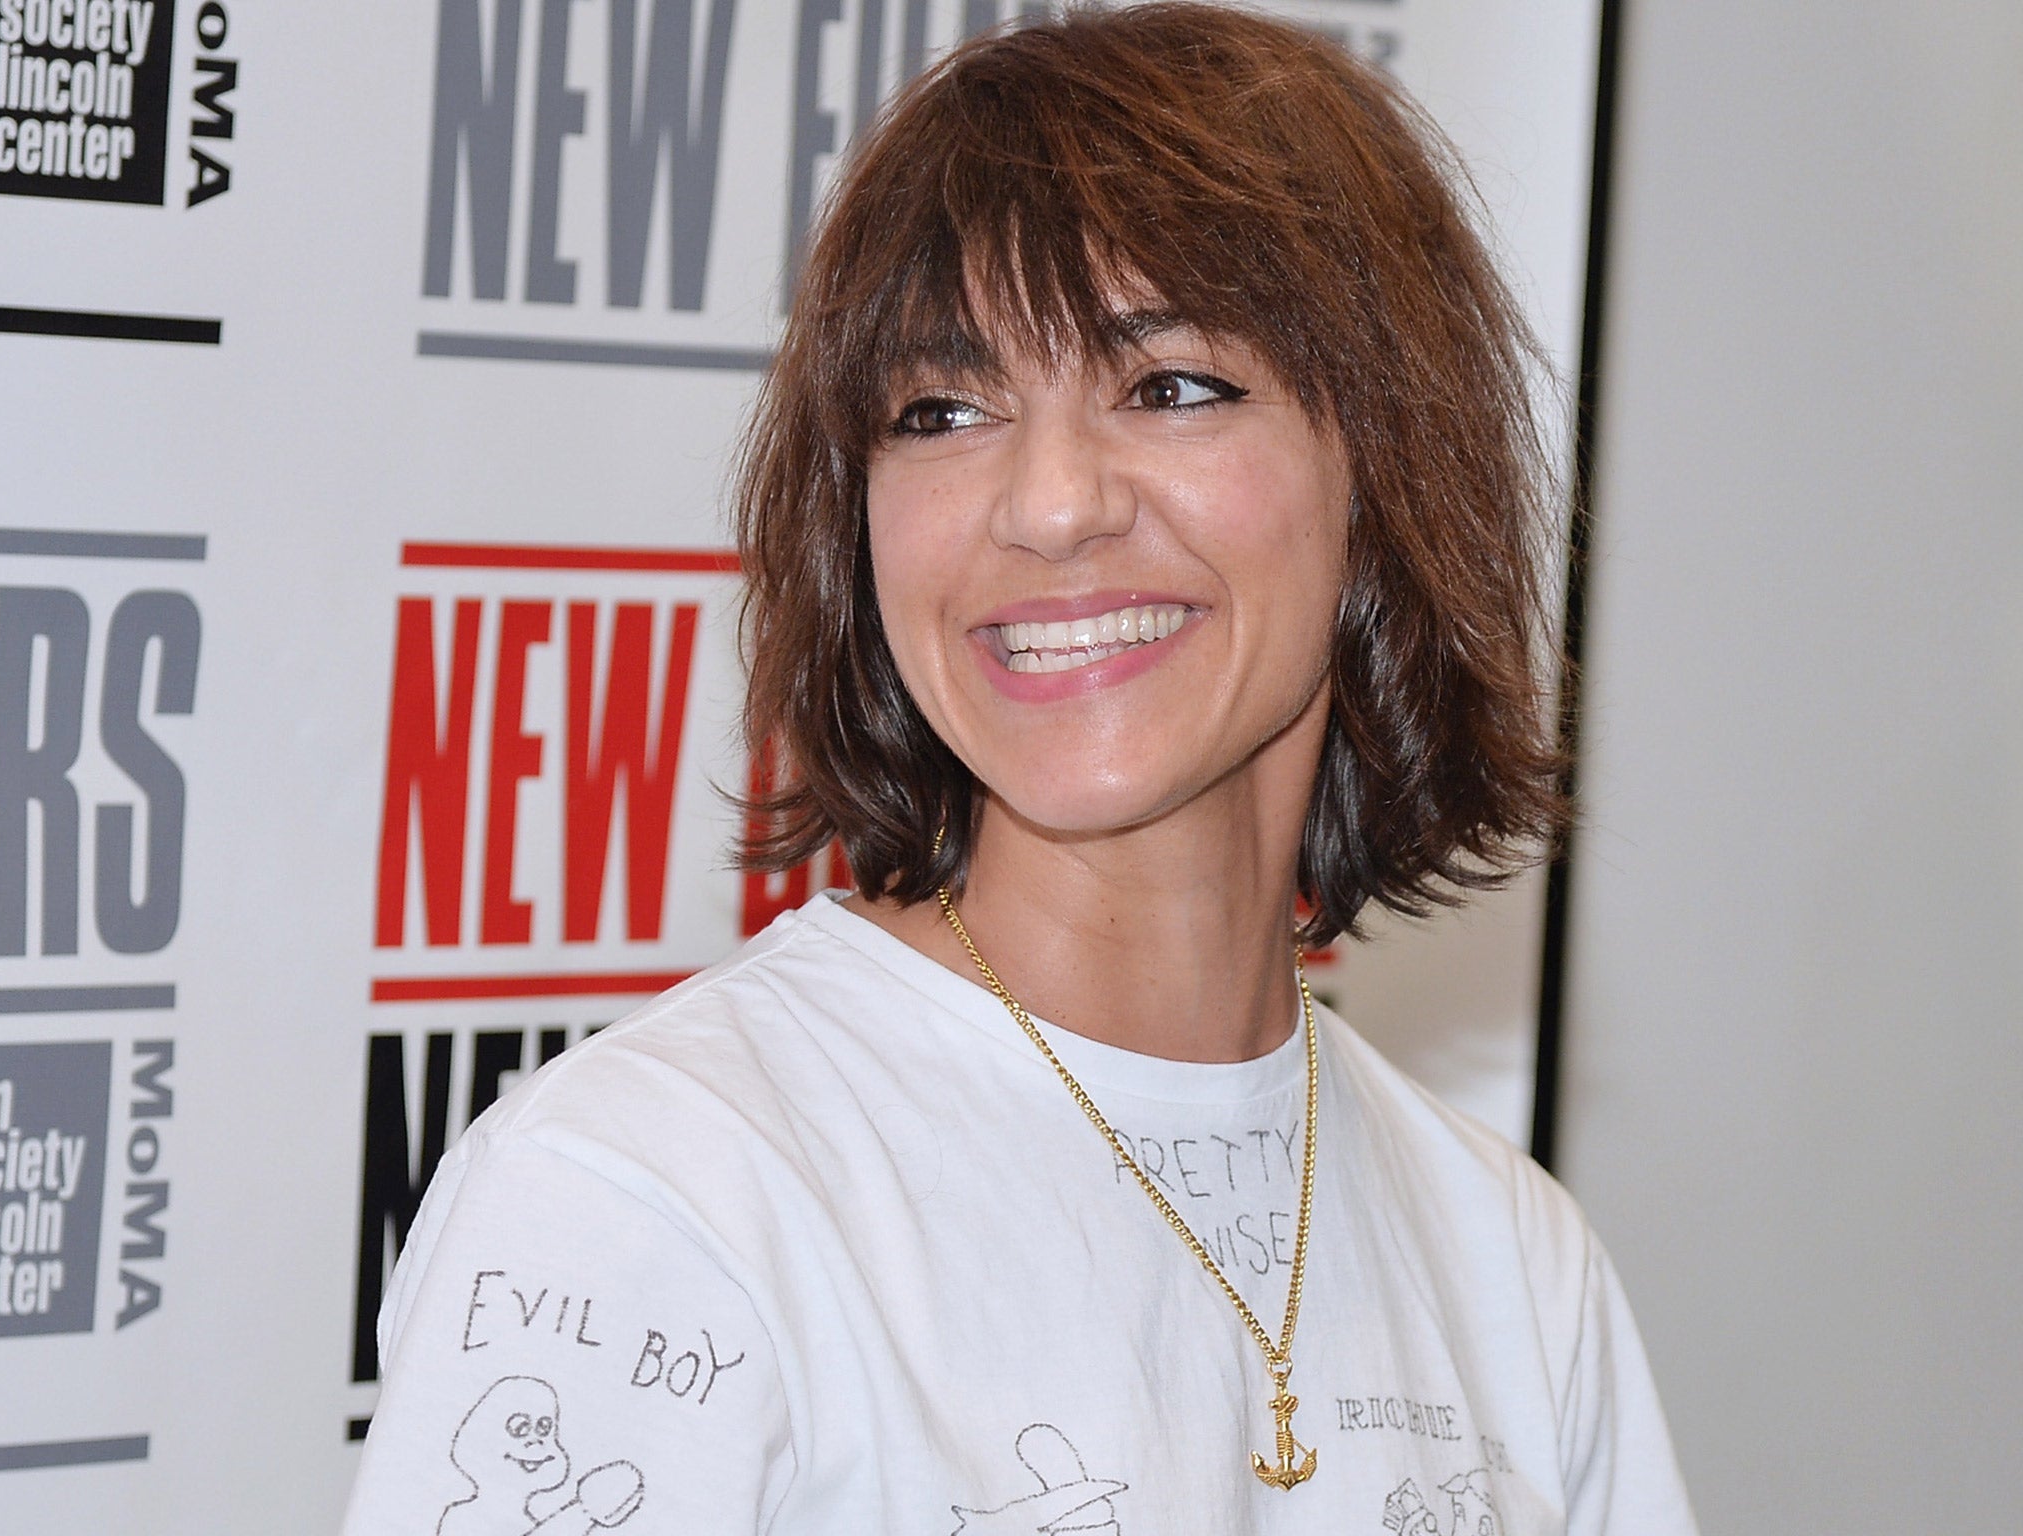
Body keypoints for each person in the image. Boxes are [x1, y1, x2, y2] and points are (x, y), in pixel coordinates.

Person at [340, 6, 1698, 1533]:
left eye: (1170, 385)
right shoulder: (654, 1195)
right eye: (944, 411)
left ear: (1385, 465)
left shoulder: (1511, 1263)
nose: (1049, 506)